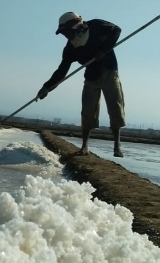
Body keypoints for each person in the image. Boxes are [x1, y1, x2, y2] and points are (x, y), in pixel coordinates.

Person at [36, 12, 125, 157]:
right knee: (88, 111)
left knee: (115, 107)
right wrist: (47, 87)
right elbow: (62, 71)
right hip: (91, 76)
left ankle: (117, 145)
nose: (65, 36)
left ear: (74, 27)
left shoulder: (96, 25)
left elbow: (116, 30)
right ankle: (84, 146)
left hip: (109, 71)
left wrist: (103, 49)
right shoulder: (70, 49)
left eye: (66, 32)